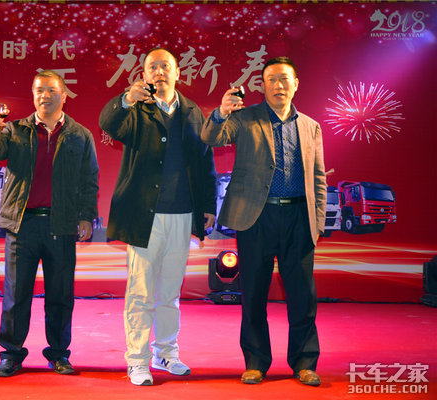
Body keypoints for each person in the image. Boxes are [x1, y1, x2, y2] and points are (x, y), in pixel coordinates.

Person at [200, 57, 327, 386]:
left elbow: (318, 178)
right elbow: (211, 138)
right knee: (254, 294)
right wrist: (221, 112)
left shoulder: (310, 126)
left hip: (299, 218)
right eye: (271, 79)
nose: (278, 85)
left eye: (284, 79)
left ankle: (304, 362)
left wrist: (317, 223)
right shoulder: (245, 118)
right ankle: (256, 361)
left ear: (295, 84)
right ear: (262, 85)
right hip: (256, 217)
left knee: (303, 295)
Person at [99, 48, 217, 386]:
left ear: (178, 73)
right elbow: (108, 123)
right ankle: (137, 360)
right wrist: (126, 99)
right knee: (140, 291)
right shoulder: (135, 108)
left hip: (182, 213)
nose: (159, 71)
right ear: (144, 74)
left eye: (166, 66)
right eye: (153, 67)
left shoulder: (193, 111)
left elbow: (205, 160)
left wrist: (208, 205)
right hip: (144, 215)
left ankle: (166, 352)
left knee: (170, 292)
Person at [0, 70, 99, 377]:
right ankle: (11, 354)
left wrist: (86, 216)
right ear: (33, 95)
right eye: (39, 90)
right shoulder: (15, 130)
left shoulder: (80, 135)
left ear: (64, 96)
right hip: (22, 224)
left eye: (51, 90)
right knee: (16, 295)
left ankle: (58, 354)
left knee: (61, 295)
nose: (44, 95)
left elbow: (89, 180)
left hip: (61, 224)